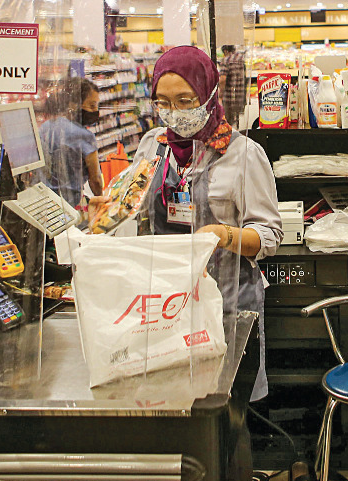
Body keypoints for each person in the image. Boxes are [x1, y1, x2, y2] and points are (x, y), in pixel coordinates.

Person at [94, 45, 281, 399]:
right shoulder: (153, 145)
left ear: (210, 94)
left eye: (185, 100)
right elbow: (133, 208)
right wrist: (110, 210)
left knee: (225, 407)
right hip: (163, 304)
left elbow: (270, 236)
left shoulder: (243, 155)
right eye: (162, 102)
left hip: (226, 303)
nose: (174, 113)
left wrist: (223, 234)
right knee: (173, 400)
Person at [39, 76, 103, 206]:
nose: (96, 111)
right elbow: (95, 179)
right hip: (69, 203)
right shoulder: (84, 136)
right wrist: (101, 200)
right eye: (92, 105)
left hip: (44, 198)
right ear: (73, 105)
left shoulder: (46, 127)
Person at [218, 44, 247, 126]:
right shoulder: (241, 59)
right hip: (240, 95)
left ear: (226, 51)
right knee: (239, 121)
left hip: (229, 96)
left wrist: (220, 95)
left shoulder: (226, 60)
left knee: (228, 122)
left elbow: (223, 79)